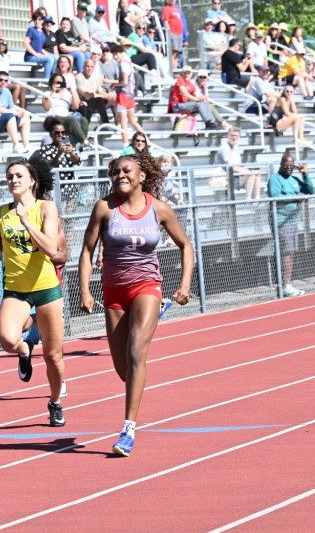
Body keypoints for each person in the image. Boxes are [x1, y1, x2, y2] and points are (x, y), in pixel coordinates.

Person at [78, 153, 194, 456]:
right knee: (123, 368)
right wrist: (85, 291)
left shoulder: (158, 209)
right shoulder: (104, 208)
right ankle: (137, 379)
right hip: (113, 292)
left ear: (142, 176)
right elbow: (87, 250)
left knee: (135, 351)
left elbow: (185, 245)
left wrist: (184, 285)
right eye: (115, 172)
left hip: (146, 286)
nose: (120, 175)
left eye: (127, 171)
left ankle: (128, 428)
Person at [0, 158, 67, 425]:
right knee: (7, 340)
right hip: (16, 289)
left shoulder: (46, 208)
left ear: (32, 181)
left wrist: (27, 223)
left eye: (19, 175)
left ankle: (55, 402)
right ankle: (23, 350)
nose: (14, 180)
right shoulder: (0, 214)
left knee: (53, 356)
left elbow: (52, 248)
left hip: (46, 289)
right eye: (9, 177)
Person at [267, 152, 314, 297]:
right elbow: (275, 196)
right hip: (281, 221)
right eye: (286, 165)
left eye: (291, 165)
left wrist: (305, 174)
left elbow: (310, 190)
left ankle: (287, 283)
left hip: (293, 220)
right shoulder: (275, 179)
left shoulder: (294, 179)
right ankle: (284, 285)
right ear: (281, 165)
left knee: (290, 252)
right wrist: (295, 197)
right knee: (286, 252)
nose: (289, 167)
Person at [0, 70, 34, 154]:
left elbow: (11, 108)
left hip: (2, 118)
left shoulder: (7, 91)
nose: (3, 82)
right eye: (0, 80)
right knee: (11, 116)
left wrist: (19, 111)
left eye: (5, 80)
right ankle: (16, 145)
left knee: (25, 117)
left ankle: (26, 145)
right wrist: (14, 113)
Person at [216, 128, 261, 199]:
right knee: (251, 174)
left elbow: (238, 166)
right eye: (232, 135)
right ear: (228, 135)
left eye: (236, 136)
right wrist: (246, 171)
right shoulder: (224, 148)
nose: (234, 137)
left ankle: (257, 198)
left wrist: (246, 169)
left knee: (257, 173)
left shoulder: (236, 147)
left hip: (236, 176)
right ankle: (248, 199)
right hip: (228, 179)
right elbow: (231, 168)